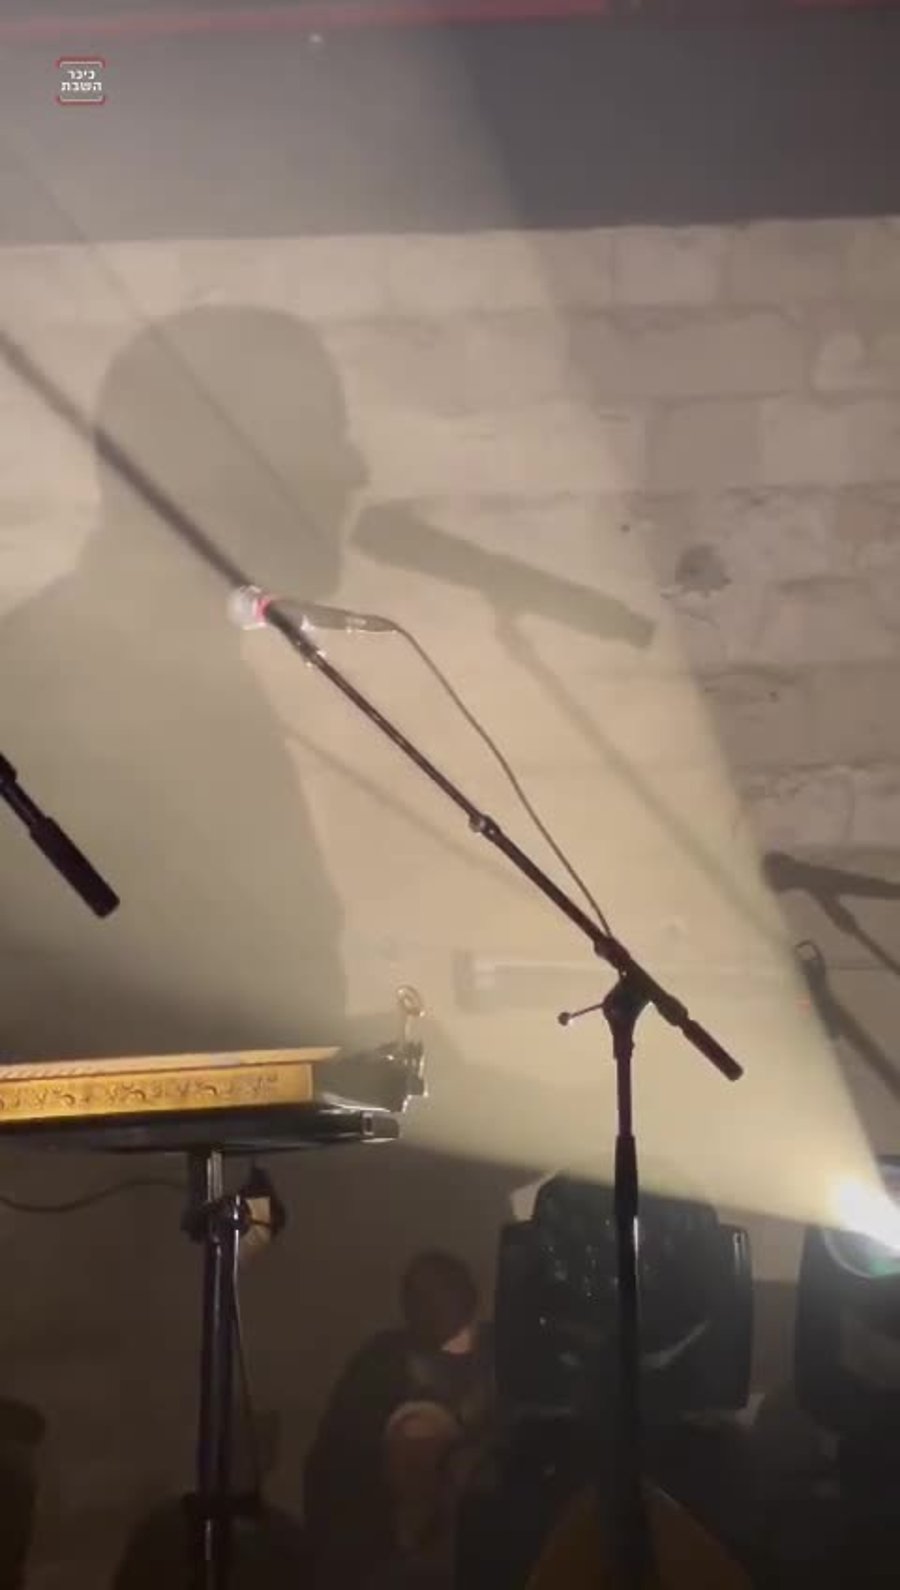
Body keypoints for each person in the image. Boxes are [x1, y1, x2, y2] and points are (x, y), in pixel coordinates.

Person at [305, 1251, 494, 1589]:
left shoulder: (499, 1358)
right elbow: (334, 1465)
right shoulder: (380, 1364)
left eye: (437, 1294)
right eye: (417, 1296)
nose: (426, 1306)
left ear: (467, 1297)